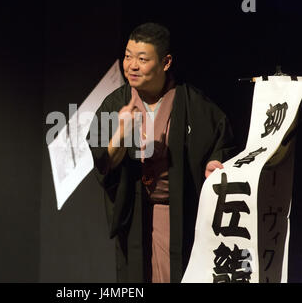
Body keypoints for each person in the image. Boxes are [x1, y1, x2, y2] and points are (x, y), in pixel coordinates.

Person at [88, 22, 236, 283]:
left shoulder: (194, 104)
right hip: (136, 217)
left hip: (178, 216)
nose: (131, 65)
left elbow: (222, 145)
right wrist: (121, 134)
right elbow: (104, 163)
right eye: (127, 56)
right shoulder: (115, 104)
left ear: (166, 62)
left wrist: (215, 164)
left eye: (142, 59)